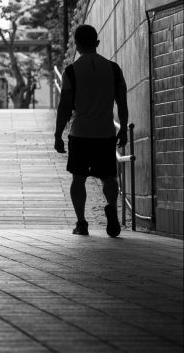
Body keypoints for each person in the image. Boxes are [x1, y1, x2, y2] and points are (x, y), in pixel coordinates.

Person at [54, 24, 128, 237]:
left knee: (78, 179)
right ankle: (112, 208)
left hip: (80, 133)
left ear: (76, 46)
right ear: (97, 43)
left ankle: (81, 223)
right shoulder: (113, 69)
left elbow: (65, 106)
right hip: (105, 132)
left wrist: (58, 134)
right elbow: (121, 103)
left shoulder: (71, 71)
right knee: (109, 177)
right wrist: (122, 127)